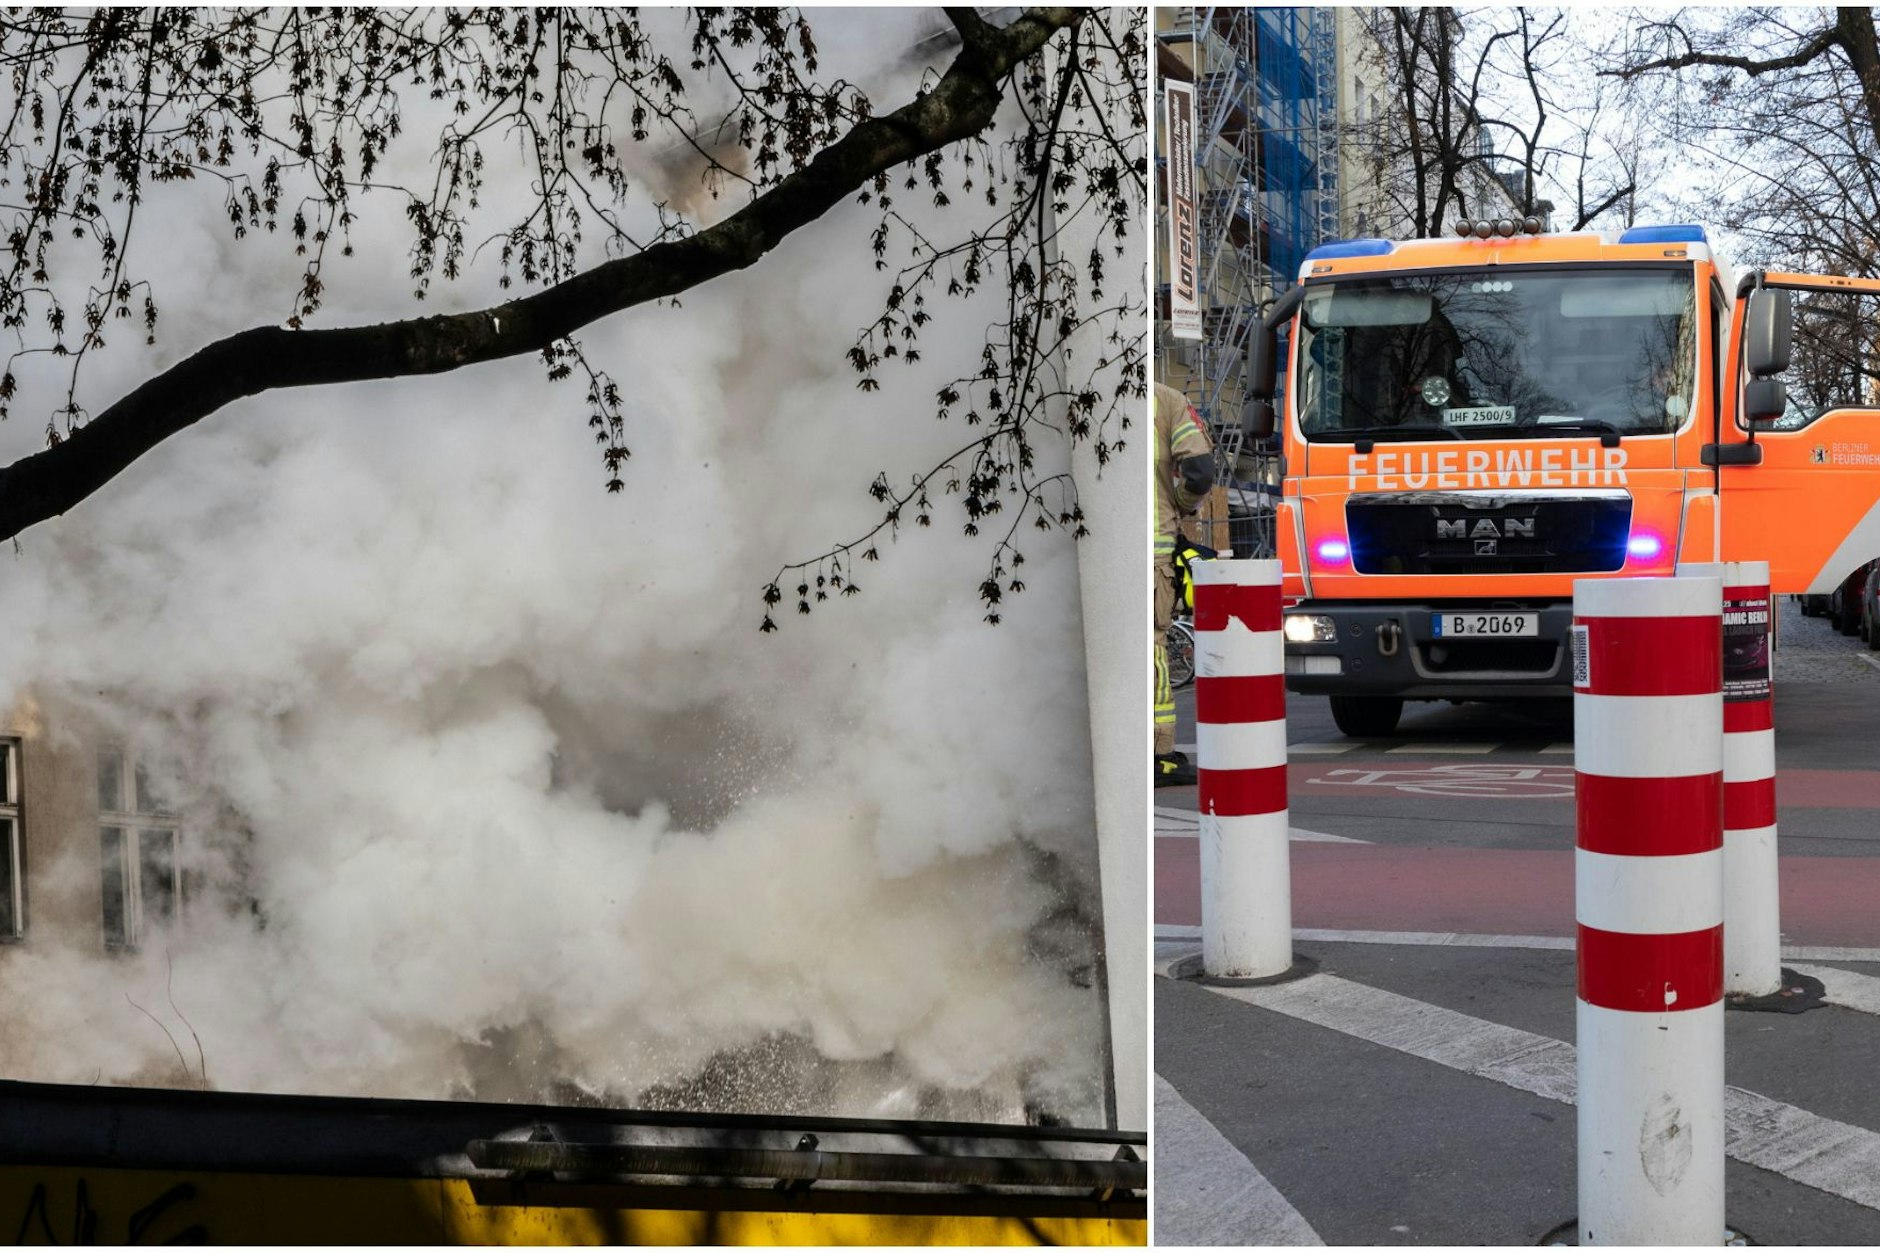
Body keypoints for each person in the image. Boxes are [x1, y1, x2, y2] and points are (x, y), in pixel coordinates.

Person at [1154, 382, 1215, 787]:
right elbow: (1199, 471)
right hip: (1149, 548)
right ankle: (1159, 753)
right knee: (1151, 649)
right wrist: (1179, 502)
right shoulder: (1164, 399)